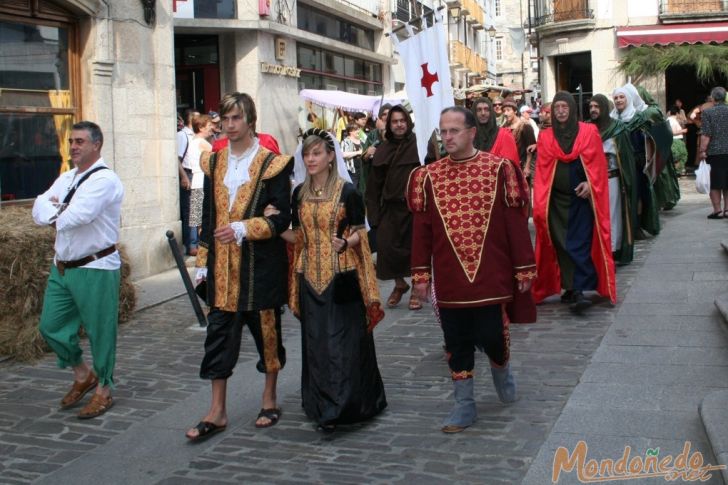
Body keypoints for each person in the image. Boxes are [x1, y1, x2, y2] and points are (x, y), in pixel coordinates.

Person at [407, 107, 536, 434]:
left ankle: (501, 367)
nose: (447, 137)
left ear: (472, 132)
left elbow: (515, 224)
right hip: (450, 278)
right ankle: (464, 404)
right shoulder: (428, 177)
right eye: (443, 131)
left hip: (491, 274)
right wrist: (420, 275)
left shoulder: (499, 169)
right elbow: (421, 230)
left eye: (454, 130)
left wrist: (524, 267)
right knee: (456, 341)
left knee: (492, 335)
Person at [186, 92, 293, 441]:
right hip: (221, 267)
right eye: (225, 119)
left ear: (250, 121)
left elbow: (283, 218)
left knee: (266, 332)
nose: (229, 126)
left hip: (259, 265)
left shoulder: (272, 163)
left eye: (236, 119)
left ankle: (269, 397)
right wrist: (201, 260)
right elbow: (205, 212)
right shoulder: (212, 161)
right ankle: (217, 410)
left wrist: (246, 227)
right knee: (218, 335)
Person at [284, 128, 387, 432]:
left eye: (317, 153)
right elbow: (297, 235)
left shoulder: (347, 192)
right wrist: (271, 225)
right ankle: (319, 405)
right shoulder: (298, 193)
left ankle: (348, 406)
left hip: (341, 277)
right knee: (316, 344)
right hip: (308, 276)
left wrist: (347, 243)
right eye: (307, 153)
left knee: (343, 343)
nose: (311, 158)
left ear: (331, 157)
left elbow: (361, 232)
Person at [32, 121, 124, 419]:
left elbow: (78, 216)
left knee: (100, 331)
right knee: (50, 326)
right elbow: (38, 206)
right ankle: (83, 373)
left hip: (95, 265)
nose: (73, 146)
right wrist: (56, 210)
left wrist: (56, 212)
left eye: (80, 141)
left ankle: (104, 389)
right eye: (71, 141)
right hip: (62, 266)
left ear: (96, 144)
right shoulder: (67, 177)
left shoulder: (106, 179)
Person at [533, 92, 616, 313]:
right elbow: (542, 170)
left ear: (572, 108)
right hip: (555, 201)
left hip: (581, 200)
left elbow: (598, 165)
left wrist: (590, 184)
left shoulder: (589, 132)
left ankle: (579, 289)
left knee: (578, 243)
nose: (560, 111)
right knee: (560, 244)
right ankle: (569, 288)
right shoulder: (546, 136)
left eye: (564, 107)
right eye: (557, 107)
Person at [366, 105, 421, 310]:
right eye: (395, 121)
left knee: (416, 250)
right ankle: (400, 284)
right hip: (390, 208)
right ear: (389, 125)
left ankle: (416, 287)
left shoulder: (420, 144)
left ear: (408, 122)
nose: (399, 125)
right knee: (386, 247)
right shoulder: (383, 149)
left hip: (414, 208)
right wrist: (374, 215)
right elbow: (374, 186)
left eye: (402, 121)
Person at [589, 94, 638, 265]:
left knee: (612, 216)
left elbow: (626, 158)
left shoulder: (618, 128)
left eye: (597, 107)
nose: (593, 110)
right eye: (591, 107)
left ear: (604, 108)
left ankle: (611, 252)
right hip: (591, 182)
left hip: (612, 181)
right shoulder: (587, 129)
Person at [611, 85, 661, 236]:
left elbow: (651, 137)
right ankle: (623, 224)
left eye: (622, 97)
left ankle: (636, 225)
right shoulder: (611, 119)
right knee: (621, 195)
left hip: (636, 163)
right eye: (616, 98)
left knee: (637, 194)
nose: (619, 100)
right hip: (618, 163)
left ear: (628, 98)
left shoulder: (638, 117)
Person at [699, 86, 728, 218]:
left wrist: (702, 150)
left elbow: (706, 135)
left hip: (715, 152)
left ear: (713, 98)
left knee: (715, 182)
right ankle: (727, 210)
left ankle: (717, 210)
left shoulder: (708, 113)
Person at [187, 114, 215, 255]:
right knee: (203, 217)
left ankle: (200, 245)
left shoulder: (193, 141)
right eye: (209, 125)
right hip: (202, 180)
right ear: (201, 127)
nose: (212, 128)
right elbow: (217, 154)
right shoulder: (201, 142)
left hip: (196, 181)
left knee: (198, 218)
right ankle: (204, 246)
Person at [177, 109, 200, 255]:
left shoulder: (195, 136)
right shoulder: (182, 135)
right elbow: (177, 158)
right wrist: (184, 176)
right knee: (191, 211)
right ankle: (191, 244)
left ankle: (196, 242)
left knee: (196, 211)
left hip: (197, 174)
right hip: (189, 174)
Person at [471, 97, 519, 163]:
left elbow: (510, 165)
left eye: (486, 109)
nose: (483, 113)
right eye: (479, 110)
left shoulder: (504, 135)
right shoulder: (468, 136)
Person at [360, 103, 391, 195]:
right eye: (384, 114)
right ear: (380, 117)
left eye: (389, 113)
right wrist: (368, 154)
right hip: (376, 176)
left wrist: (384, 130)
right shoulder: (372, 134)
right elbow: (364, 158)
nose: (387, 116)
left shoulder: (397, 132)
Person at [502, 99, 537, 178]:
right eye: (504, 111)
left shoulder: (525, 126)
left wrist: (527, 167)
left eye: (508, 110)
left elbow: (531, 149)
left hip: (522, 165)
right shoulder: (504, 126)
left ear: (515, 111)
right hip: (508, 165)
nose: (505, 113)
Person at [341, 122, 363, 188]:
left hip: (362, 169)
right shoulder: (346, 141)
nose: (358, 131)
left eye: (359, 129)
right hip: (352, 171)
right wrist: (358, 152)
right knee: (353, 189)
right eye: (356, 129)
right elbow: (343, 154)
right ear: (350, 131)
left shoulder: (362, 140)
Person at [668, 106, 688, 177]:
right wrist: (683, 131)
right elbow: (672, 132)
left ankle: (676, 172)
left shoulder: (669, 119)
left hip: (675, 140)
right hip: (676, 140)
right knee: (679, 157)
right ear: (677, 113)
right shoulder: (672, 121)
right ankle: (676, 172)